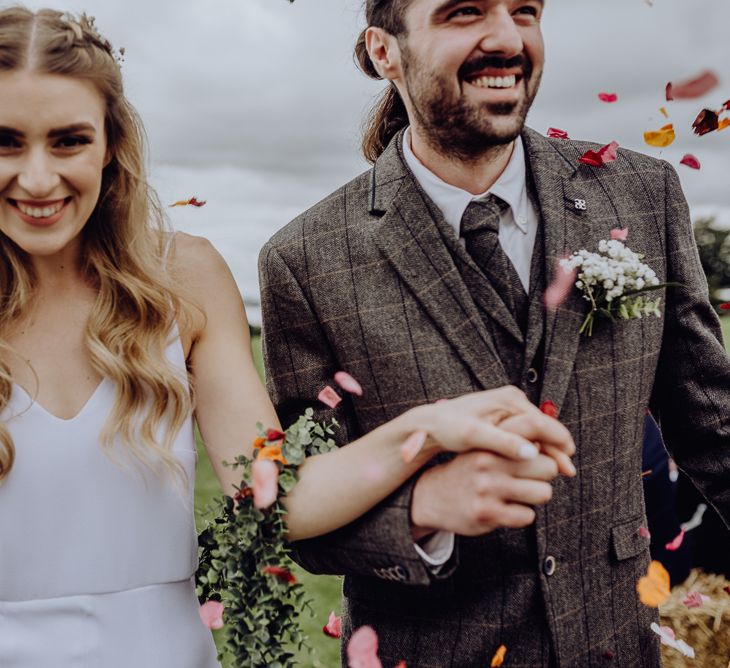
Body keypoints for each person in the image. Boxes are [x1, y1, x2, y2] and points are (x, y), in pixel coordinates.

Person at [0, 8, 575, 666]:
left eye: (69, 140)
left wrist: (433, 426)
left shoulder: (182, 275)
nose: (38, 178)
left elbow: (272, 494)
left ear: (110, 144)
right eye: (7, 141)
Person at [259, 1, 730, 666]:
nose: (507, 38)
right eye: (464, 12)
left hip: (618, 646)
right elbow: (297, 514)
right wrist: (423, 507)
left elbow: (713, 427)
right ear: (384, 51)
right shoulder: (305, 260)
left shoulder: (642, 194)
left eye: (525, 10)